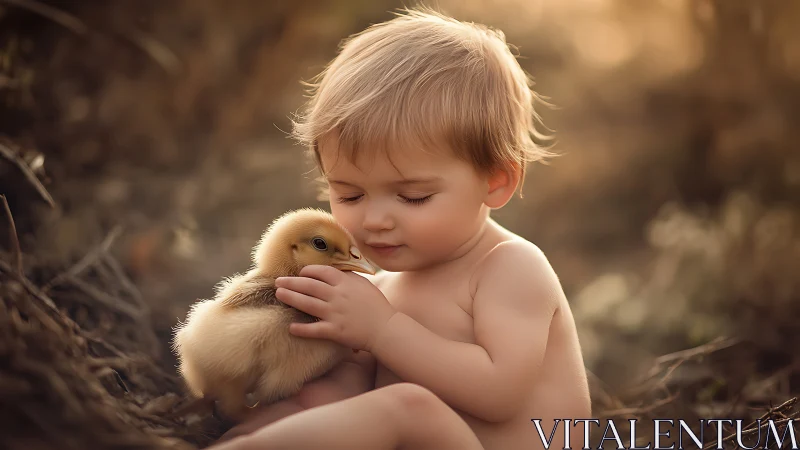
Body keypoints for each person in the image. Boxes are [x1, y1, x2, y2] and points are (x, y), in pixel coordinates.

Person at [213, 6, 591, 450]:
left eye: (413, 197)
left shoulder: (509, 267)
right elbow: (352, 396)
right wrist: (290, 411)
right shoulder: (382, 286)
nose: (373, 221)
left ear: (496, 181)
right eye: (350, 195)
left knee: (407, 407)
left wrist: (382, 331)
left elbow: (500, 394)